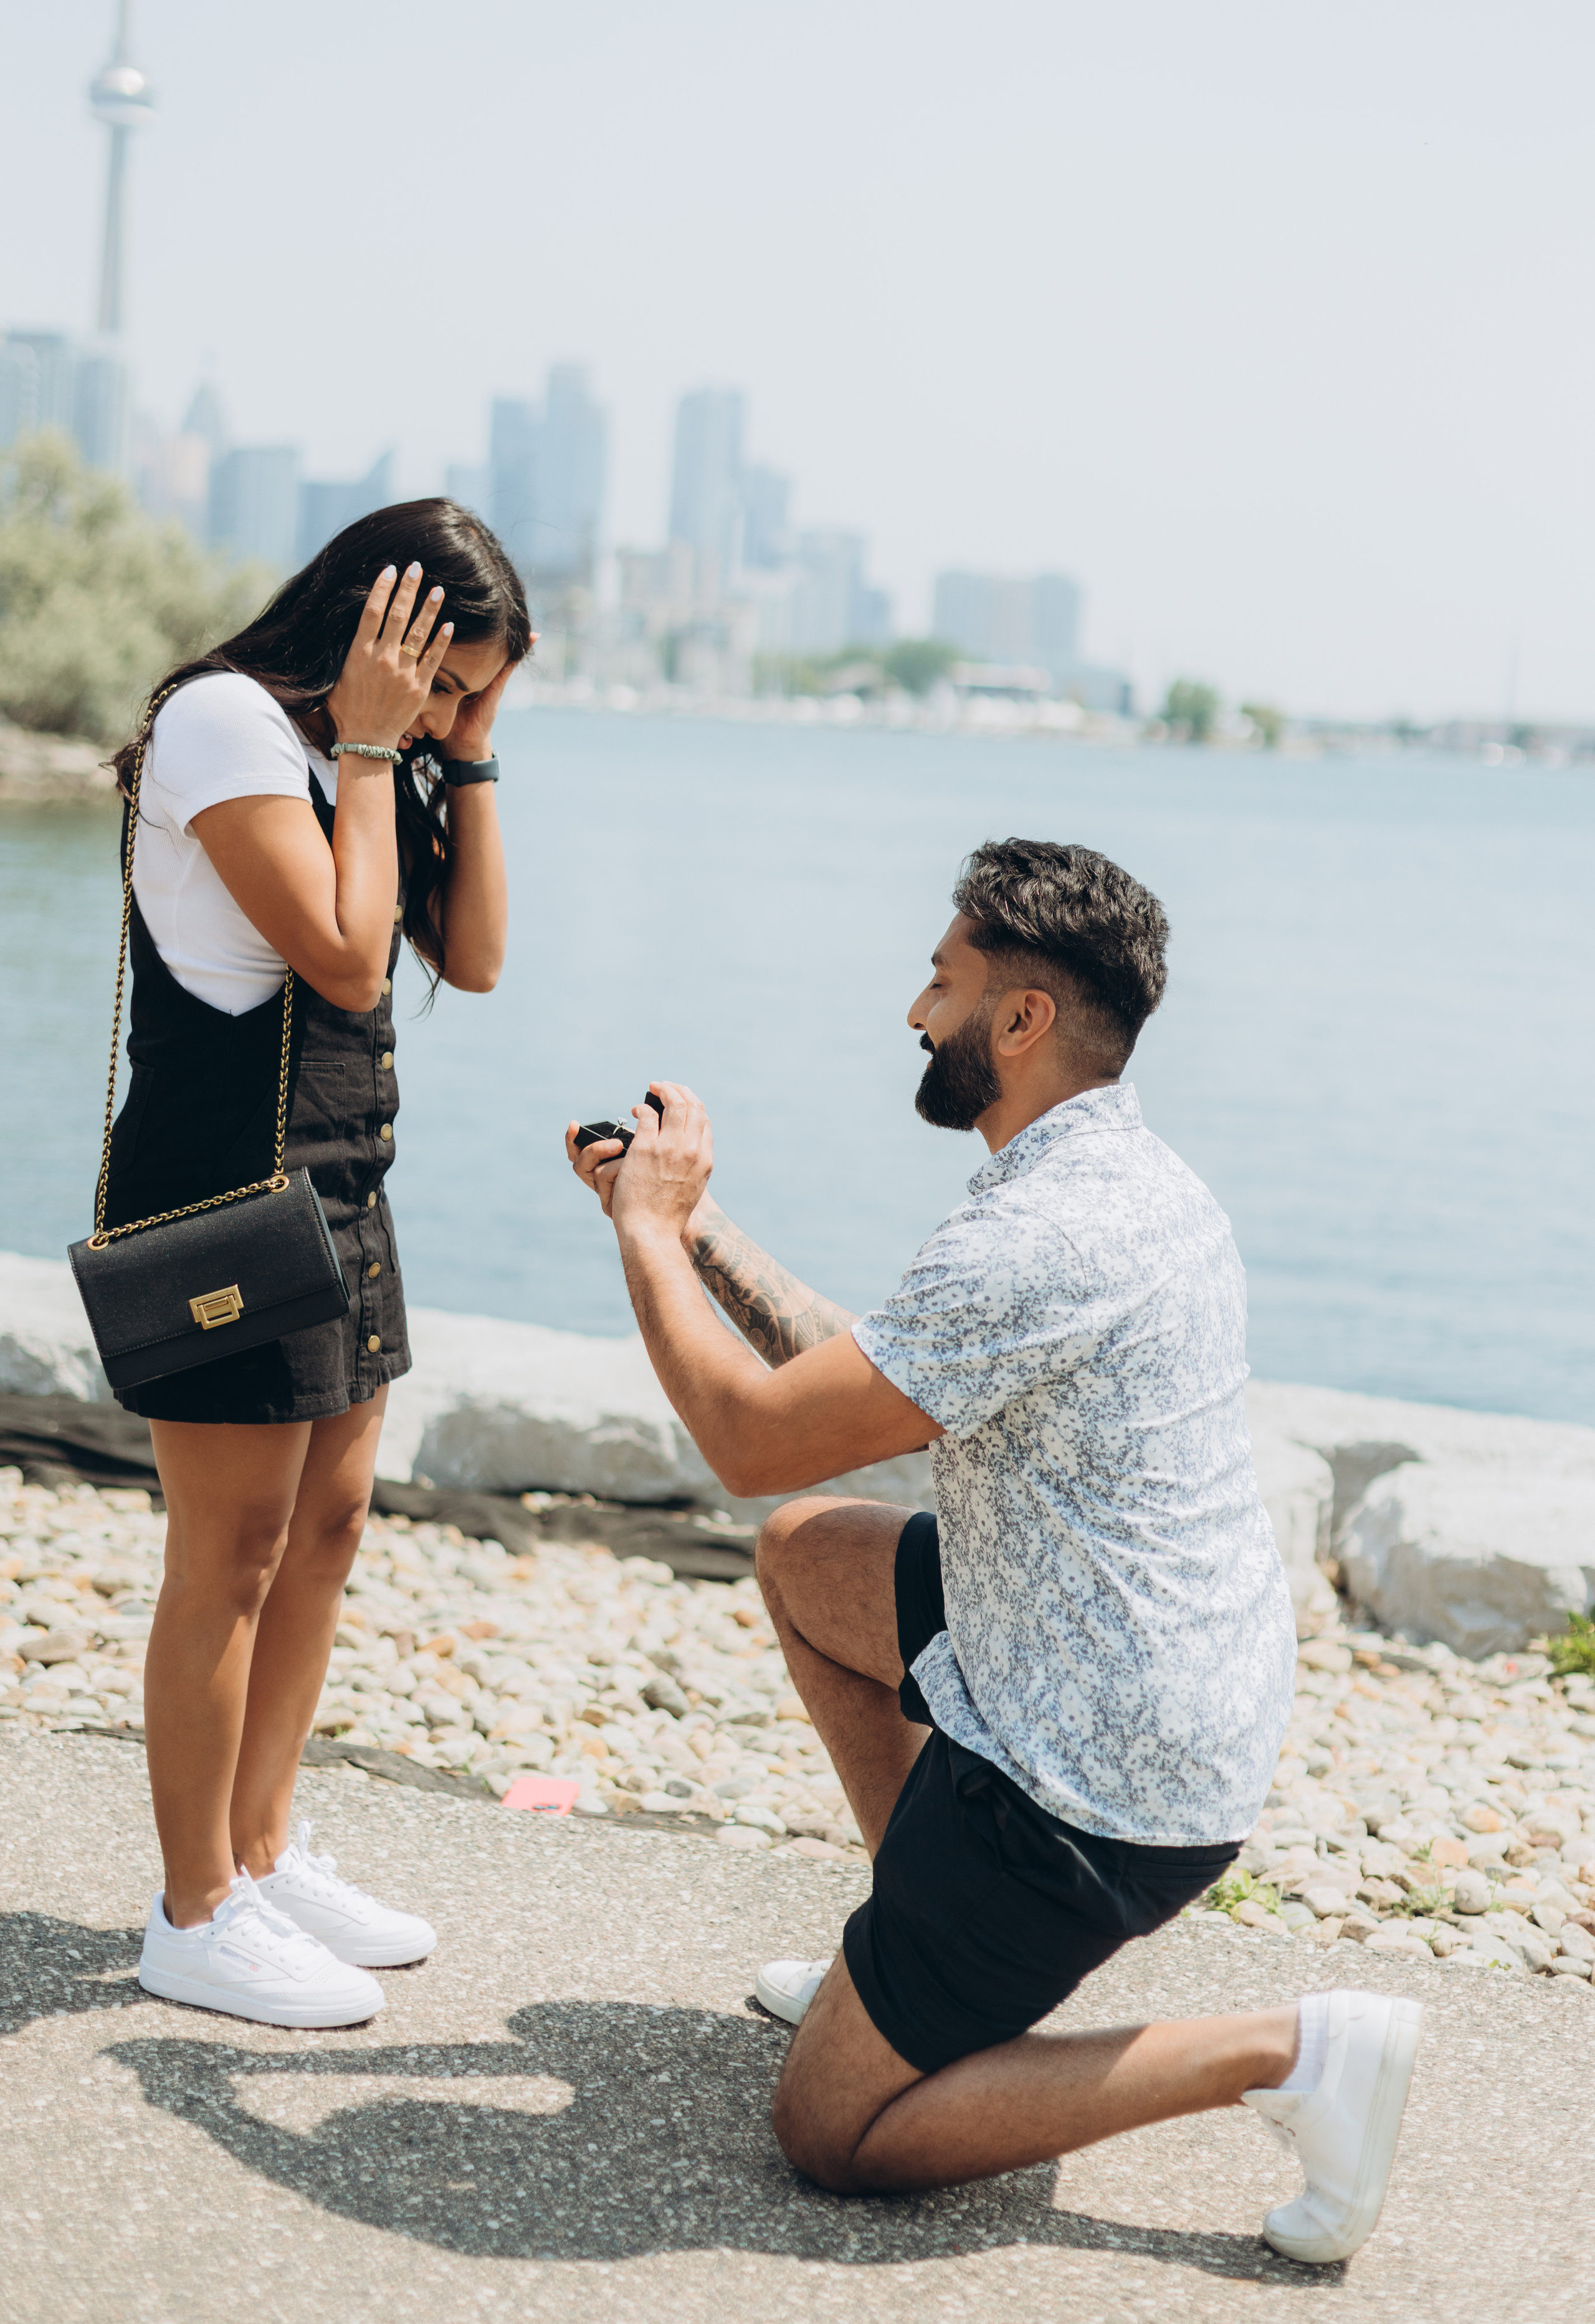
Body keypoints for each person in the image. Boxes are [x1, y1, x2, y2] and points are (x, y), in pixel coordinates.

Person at [566, 836, 1421, 2268]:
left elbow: (749, 1437)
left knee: (829, 2137)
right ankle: (913, 1958)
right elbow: (874, 1384)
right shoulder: (1122, 1179)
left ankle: (1291, 2053)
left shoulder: (1042, 1232)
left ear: (1017, 1020)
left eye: (940, 981)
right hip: (1129, 1669)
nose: (914, 1011)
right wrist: (701, 1231)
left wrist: (644, 1236)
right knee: (807, 1559)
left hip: (1090, 1779)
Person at [103, 501, 531, 2029]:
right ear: (371, 631)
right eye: (443, 679)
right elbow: (348, 961)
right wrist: (368, 744)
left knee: (327, 1527)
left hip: (341, 1187)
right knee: (226, 1556)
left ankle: (262, 1852)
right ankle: (193, 1908)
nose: (444, 712)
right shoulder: (228, 726)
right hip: (223, 1192)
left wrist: (459, 755)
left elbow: (469, 955)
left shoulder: (372, 751)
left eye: (470, 692)